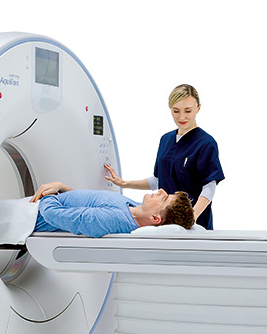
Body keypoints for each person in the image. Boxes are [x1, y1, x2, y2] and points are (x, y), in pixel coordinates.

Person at [104, 84, 224, 230]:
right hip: (163, 221)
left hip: (193, 223)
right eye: (176, 111)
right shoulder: (165, 139)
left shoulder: (206, 143)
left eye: (188, 111)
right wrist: (124, 183)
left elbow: (209, 186)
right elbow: (158, 180)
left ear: (198, 108)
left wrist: (193, 216)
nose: (182, 117)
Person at [29, 182, 194, 237]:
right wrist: (63, 188)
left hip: (30, 215)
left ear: (155, 218)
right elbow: (86, 203)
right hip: (39, 204)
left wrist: (51, 195)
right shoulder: (135, 207)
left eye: (164, 198)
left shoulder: (111, 220)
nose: (161, 191)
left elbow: (51, 214)